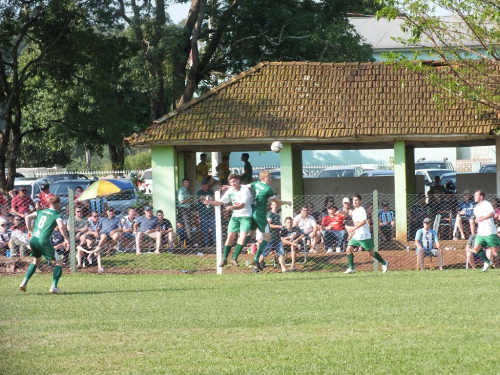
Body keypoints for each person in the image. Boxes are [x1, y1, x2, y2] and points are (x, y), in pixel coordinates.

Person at [19, 196, 70, 294]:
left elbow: (27, 217)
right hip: (43, 241)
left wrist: (30, 230)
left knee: (36, 261)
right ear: (58, 204)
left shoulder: (41, 211)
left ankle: (24, 282)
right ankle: (54, 287)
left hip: (33, 239)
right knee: (59, 263)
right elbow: (61, 226)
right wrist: (66, 238)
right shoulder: (57, 215)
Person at [245, 170, 292, 271]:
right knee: (267, 237)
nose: (270, 179)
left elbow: (244, 186)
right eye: (268, 178)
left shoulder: (256, 183)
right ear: (263, 178)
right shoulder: (267, 189)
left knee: (251, 235)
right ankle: (256, 258)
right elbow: (278, 202)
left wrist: (230, 187)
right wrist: (287, 202)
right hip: (260, 214)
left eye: (270, 177)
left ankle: (239, 248)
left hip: (252, 212)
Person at [203, 174, 252, 267]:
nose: (232, 184)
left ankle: (234, 258)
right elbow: (220, 202)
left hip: (246, 216)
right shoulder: (230, 191)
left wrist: (232, 207)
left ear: (238, 180)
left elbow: (242, 205)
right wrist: (209, 202)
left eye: (234, 181)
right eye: (230, 182)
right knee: (230, 237)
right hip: (235, 217)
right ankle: (224, 259)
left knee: (243, 236)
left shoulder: (245, 190)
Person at [344, 194, 389, 274]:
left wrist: (353, 229)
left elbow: (363, 222)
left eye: (356, 200)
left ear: (360, 201)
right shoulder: (354, 212)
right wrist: (351, 234)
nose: (354, 202)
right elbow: (356, 224)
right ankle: (351, 268)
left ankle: (384, 263)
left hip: (364, 236)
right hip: (356, 235)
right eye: (353, 200)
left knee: (370, 252)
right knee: (348, 250)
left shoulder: (361, 209)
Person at [468, 190, 500, 272]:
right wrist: (477, 220)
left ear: (481, 196)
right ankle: (488, 262)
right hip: (481, 232)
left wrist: (482, 218)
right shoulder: (476, 208)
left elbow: (492, 213)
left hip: (489, 231)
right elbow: (478, 218)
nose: (474, 197)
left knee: (495, 250)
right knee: (477, 248)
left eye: (476, 195)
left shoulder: (486, 204)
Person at [256, 201, 285, 271]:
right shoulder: (269, 214)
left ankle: (284, 269)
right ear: (271, 206)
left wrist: (281, 228)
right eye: (274, 205)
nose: (275, 206)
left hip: (277, 238)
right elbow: (269, 225)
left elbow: (279, 225)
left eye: (276, 205)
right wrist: (278, 227)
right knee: (264, 253)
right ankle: (256, 267)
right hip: (270, 237)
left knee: (281, 253)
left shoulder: (278, 215)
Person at [197, 179, 216, 247]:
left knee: (214, 228)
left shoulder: (211, 191)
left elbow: (213, 199)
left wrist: (206, 199)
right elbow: (201, 199)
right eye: (203, 184)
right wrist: (208, 199)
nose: (205, 186)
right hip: (203, 214)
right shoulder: (199, 192)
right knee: (204, 229)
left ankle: (215, 244)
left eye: (206, 184)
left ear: (208, 185)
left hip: (211, 213)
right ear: (201, 185)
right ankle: (207, 245)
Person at [176, 178, 193, 246]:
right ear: (182, 183)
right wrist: (189, 199)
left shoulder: (187, 191)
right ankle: (189, 243)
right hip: (183, 210)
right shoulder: (181, 191)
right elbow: (181, 201)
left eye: (188, 183)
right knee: (186, 226)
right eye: (186, 182)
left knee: (188, 226)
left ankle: (187, 242)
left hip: (187, 210)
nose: (187, 184)